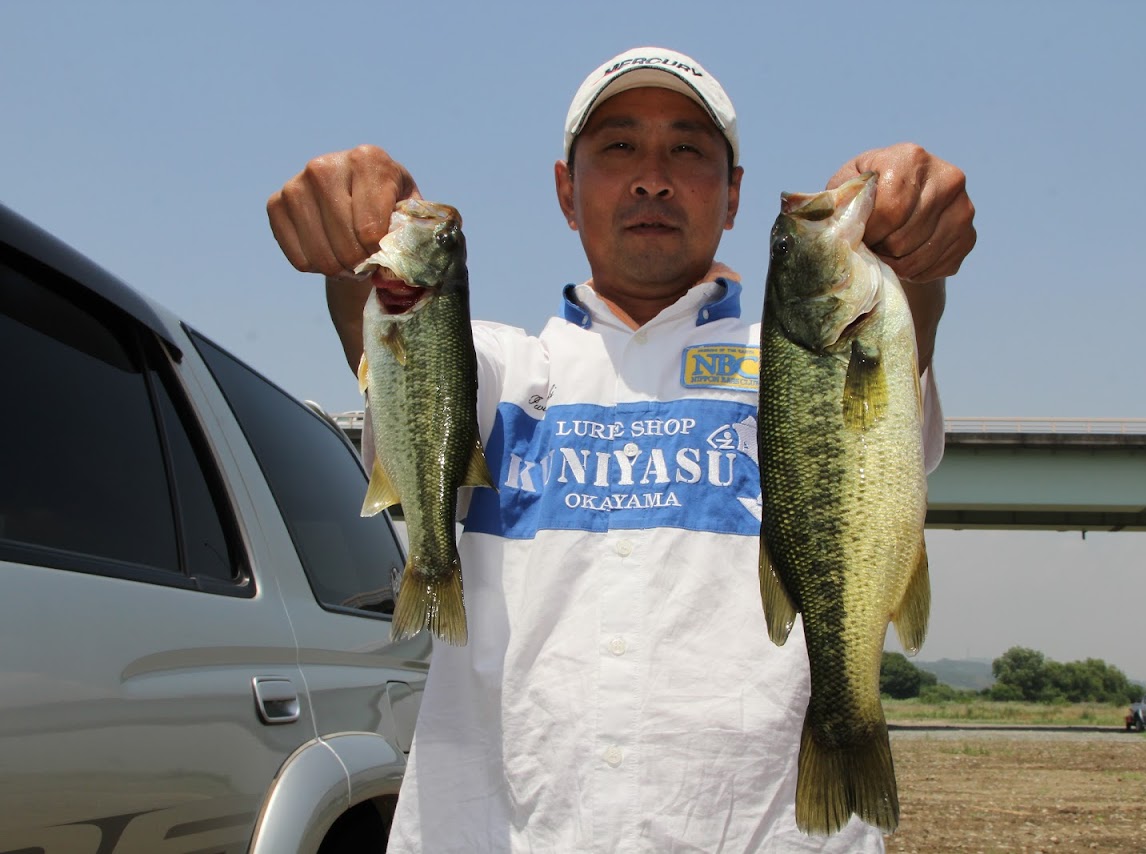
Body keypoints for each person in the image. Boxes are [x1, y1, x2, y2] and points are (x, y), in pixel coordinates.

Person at [268, 46, 975, 853]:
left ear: (734, 194)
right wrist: (353, 238)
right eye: (618, 146)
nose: (652, 178)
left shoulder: (791, 360)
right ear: (565, 192)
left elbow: (898, 348)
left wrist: (914, 252)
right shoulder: (499, 368)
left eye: (687, 149)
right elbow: (395, 337)